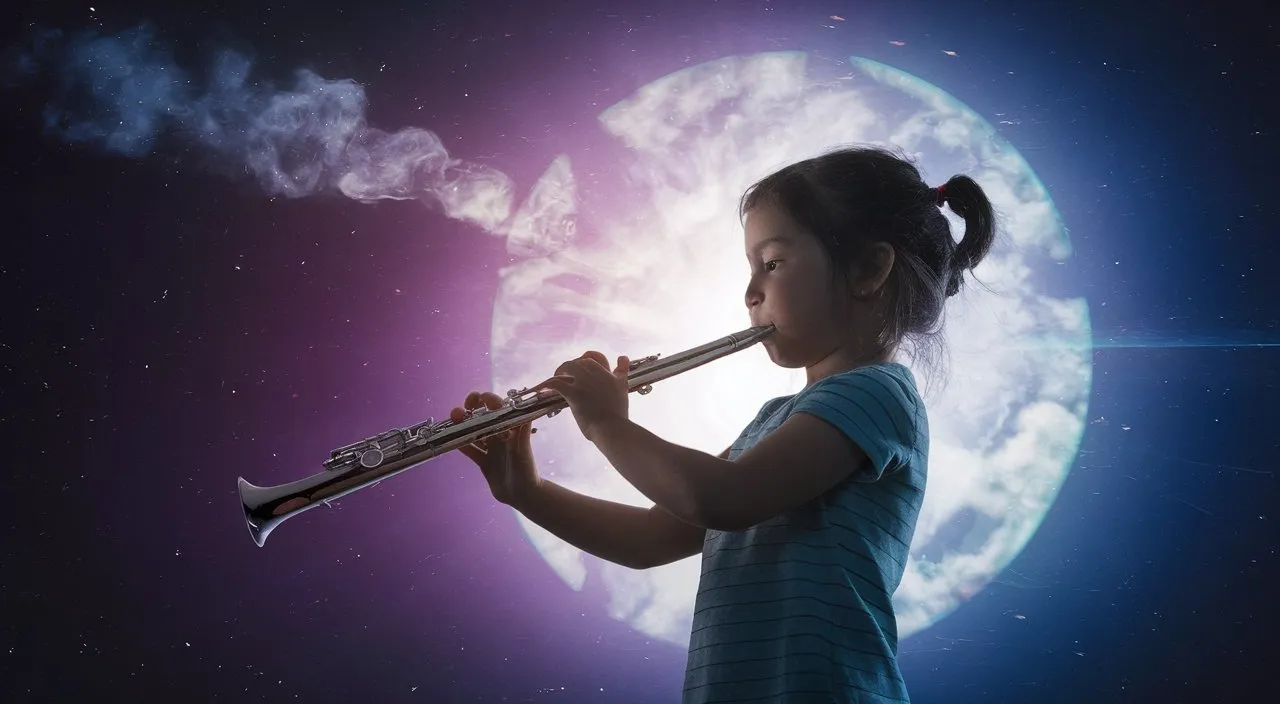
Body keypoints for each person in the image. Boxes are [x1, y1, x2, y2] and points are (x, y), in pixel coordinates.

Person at [451, 144, 998, 703]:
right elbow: (649, 537)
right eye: (751, 269)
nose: (750, 293)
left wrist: (606, 424)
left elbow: (721, 500)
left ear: (867, 270)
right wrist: (529, 491)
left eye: (773, 263)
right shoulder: (775, 420)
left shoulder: (878, 393)